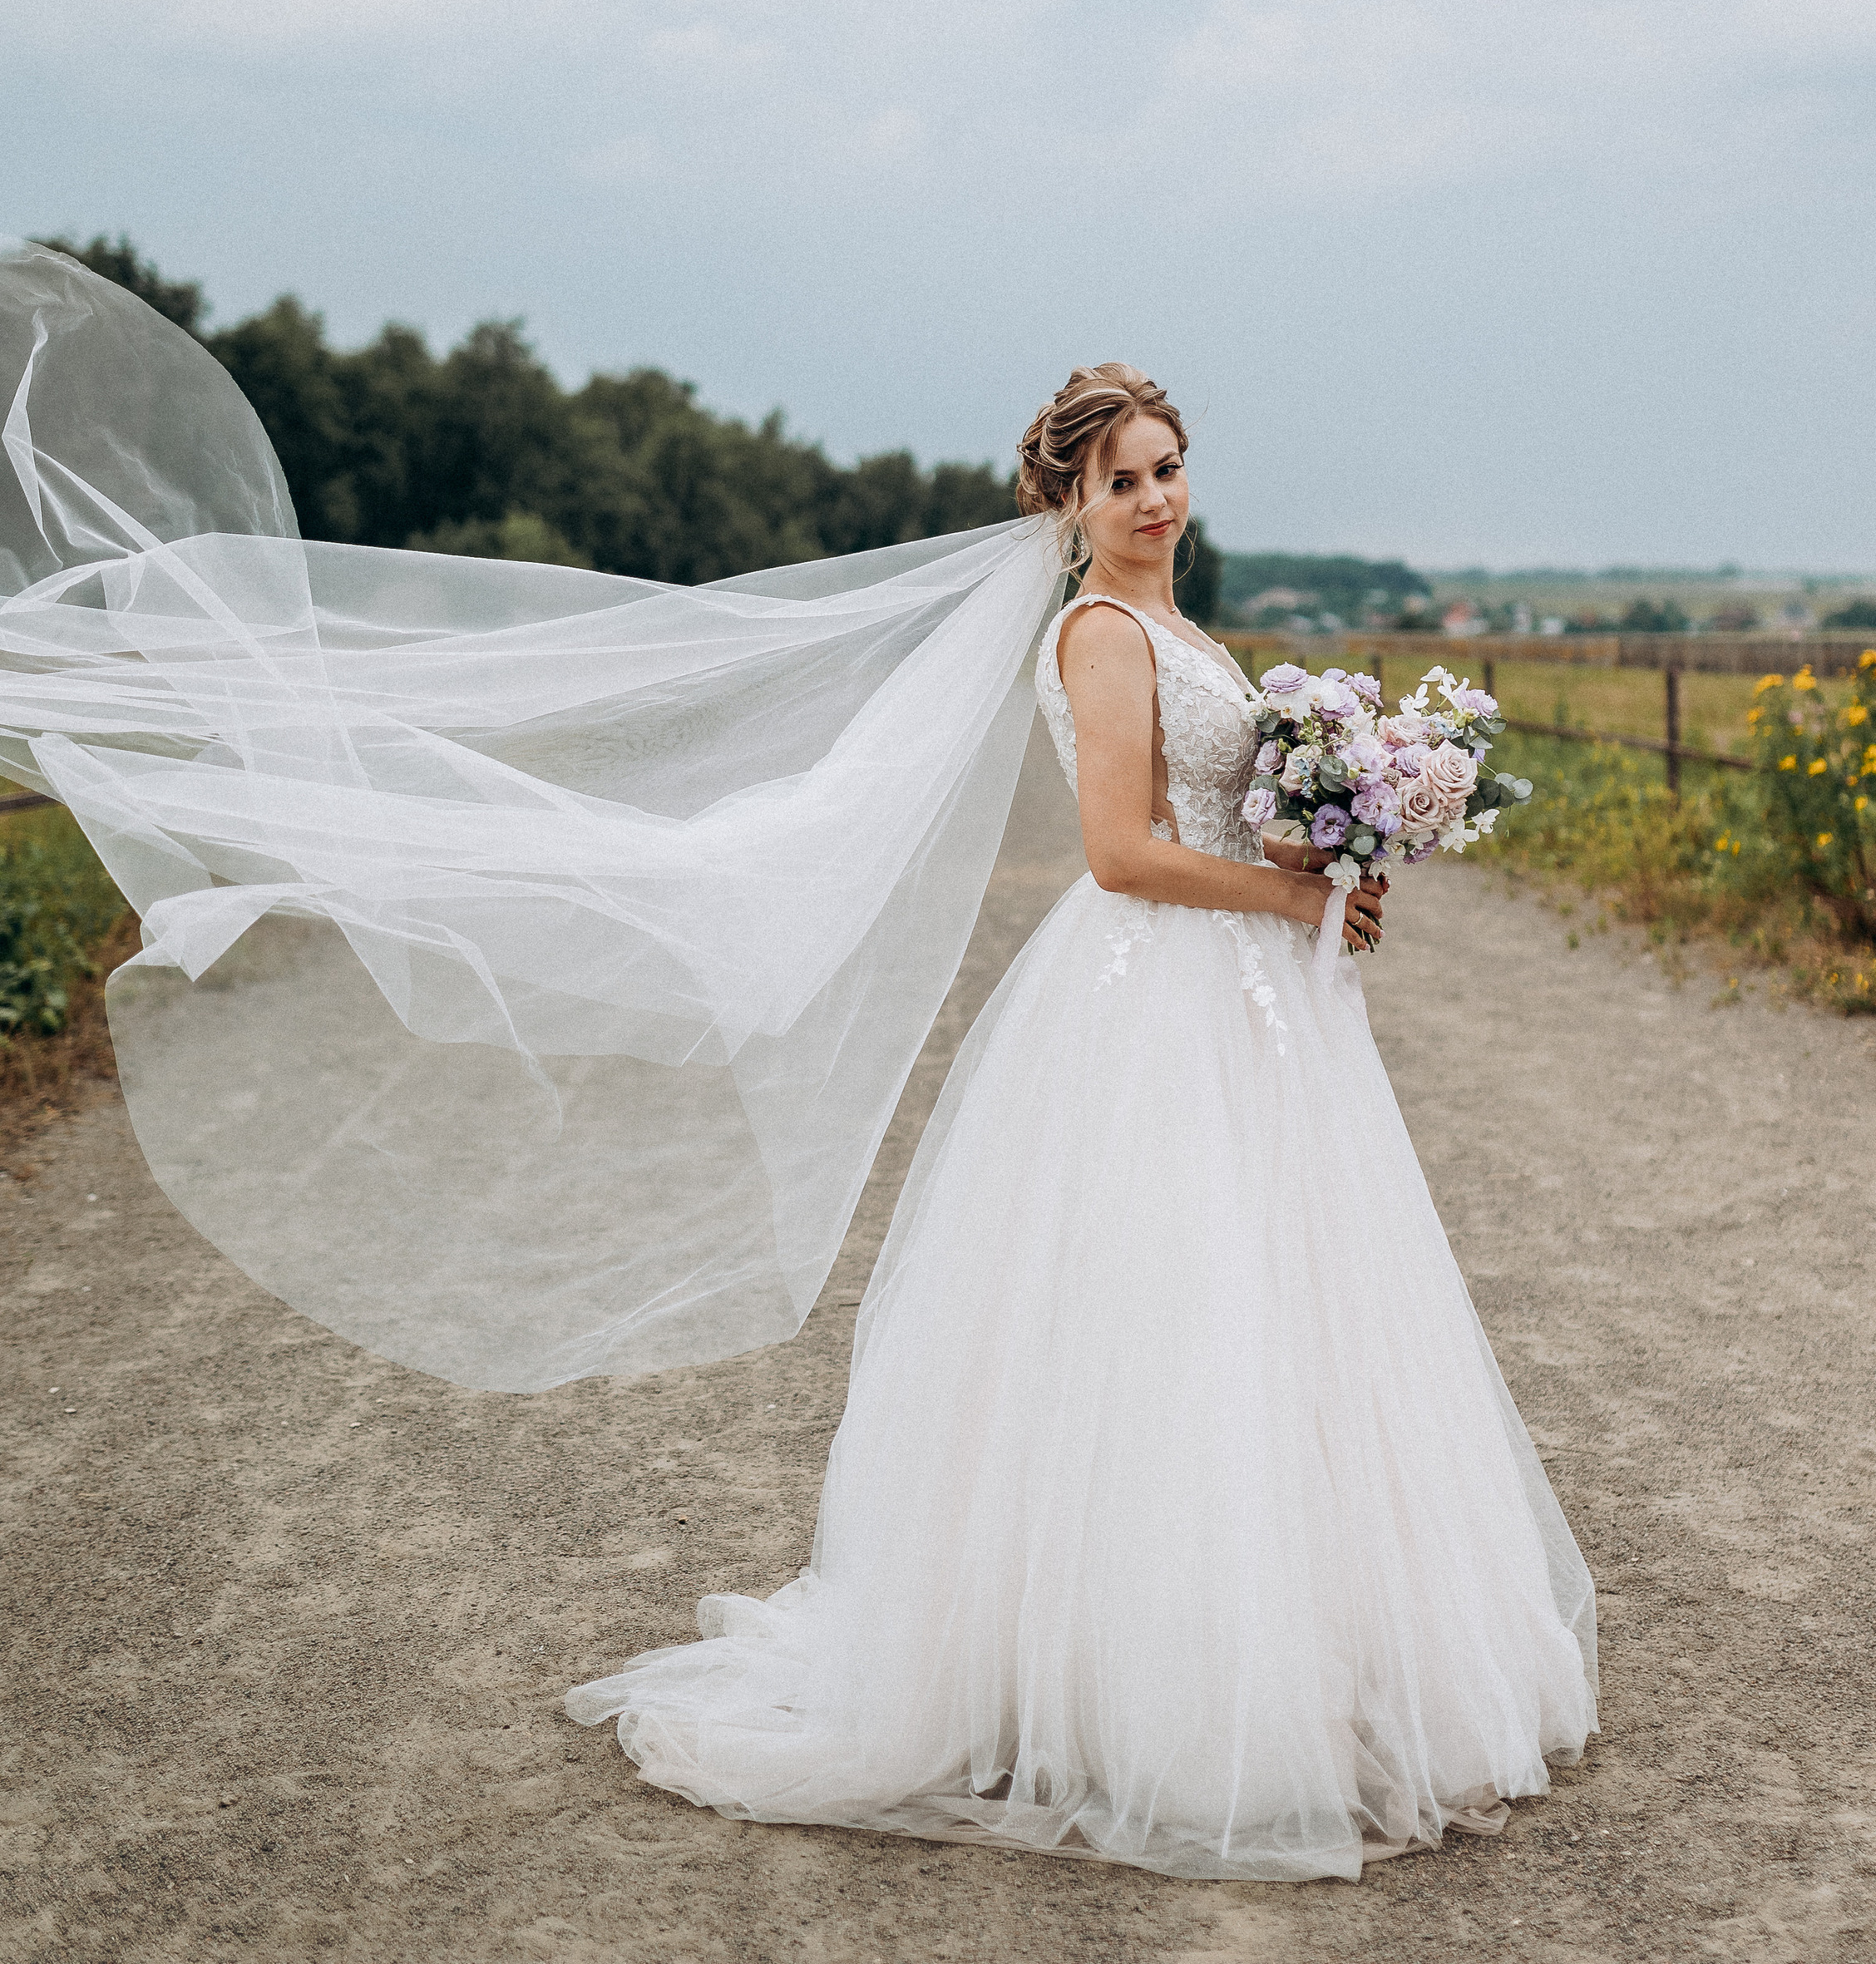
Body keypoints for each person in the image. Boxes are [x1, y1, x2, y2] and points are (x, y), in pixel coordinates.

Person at [567, 364, 1597, 1879]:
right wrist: (1292, 893)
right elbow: (1121, 854)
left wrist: (1345, 844)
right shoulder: (1103, 634)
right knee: (1166, 1322)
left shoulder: (1188, 632)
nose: (1156, 498)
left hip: (1248, 1000)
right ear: (1069, 504)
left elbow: (1227, 813)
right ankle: (1143, 1689)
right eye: (1120, 480)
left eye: (1169, 468)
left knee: (1286, 1314)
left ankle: (1313, 1651)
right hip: (1151, 1000)